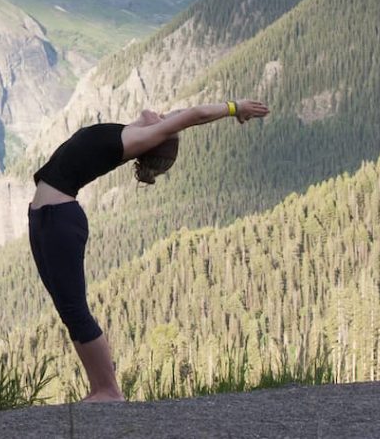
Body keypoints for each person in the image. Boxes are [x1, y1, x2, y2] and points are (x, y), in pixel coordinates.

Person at [28, 99, 270, 402]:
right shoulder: (134, 132)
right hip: (42, 218)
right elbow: (182, 114)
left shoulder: (138, 139)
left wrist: (236, 108)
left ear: (156, 137)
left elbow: (194, 115)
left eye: (164, 122)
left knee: (75, 308)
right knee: (68, 310)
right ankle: (99, 388)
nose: (164, 114)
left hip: (60, 221)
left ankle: (108, 391)